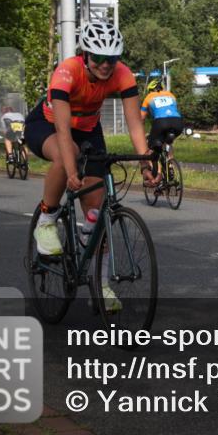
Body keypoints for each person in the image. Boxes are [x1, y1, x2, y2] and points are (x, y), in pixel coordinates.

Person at [24, 21, 159, 311]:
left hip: (88, 129)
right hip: (47, 125)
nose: (105, 65)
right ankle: (47, 220)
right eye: (98, 57)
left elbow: (135, 123)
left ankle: (102, 287)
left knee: (98, 216)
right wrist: (72, 171)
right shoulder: (67, 71)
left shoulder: (122, 74)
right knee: (67, 152)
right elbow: (62, 130)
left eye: (111, 59)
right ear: (85, 53)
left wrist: (146, 162)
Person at [140, 78, 184, 148]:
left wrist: (142, 132)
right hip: (178, 123)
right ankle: (170, 158)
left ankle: (151, 157)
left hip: (161, 122)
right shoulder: (171, 95)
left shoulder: (149, 96)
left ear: (151, 90)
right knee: (168, 142)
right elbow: (175, 109)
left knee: (151, 144)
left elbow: (142, 118)